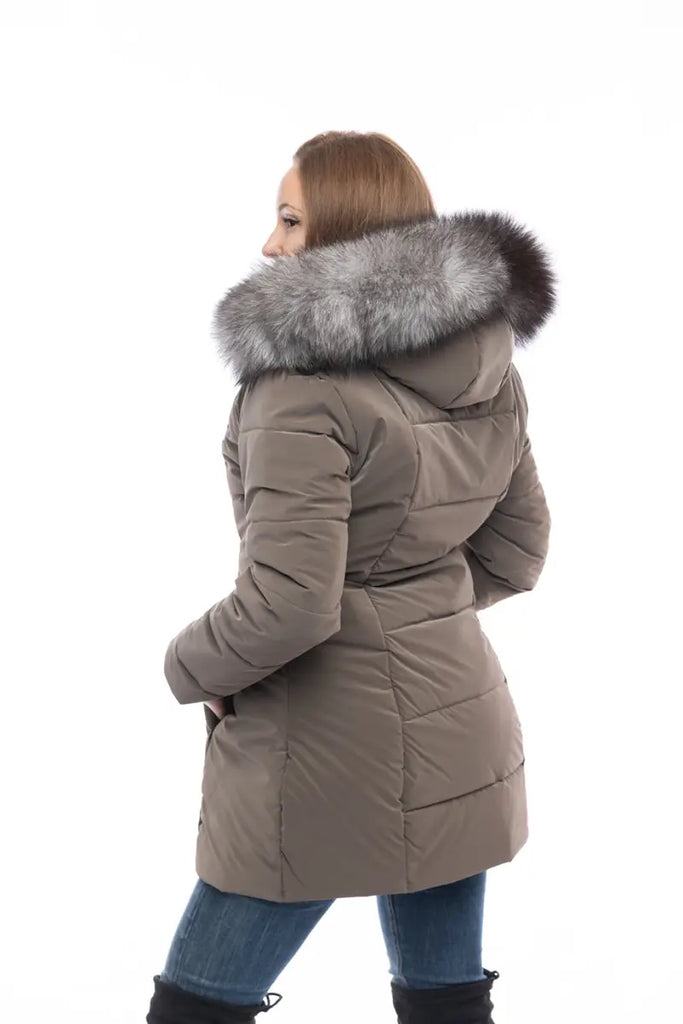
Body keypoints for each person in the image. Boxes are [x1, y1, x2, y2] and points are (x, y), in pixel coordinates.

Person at [146, 130, 557, 1024]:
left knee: (195, 1010)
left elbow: (289, 604)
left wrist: (187, 666)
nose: (268, 246)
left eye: (290, 220)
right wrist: (415, 603)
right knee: (445, 1002)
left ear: (346, 231)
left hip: (324, 753)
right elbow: (517, 550)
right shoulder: (489, 370)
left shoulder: (298, 386)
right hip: (460, 732)